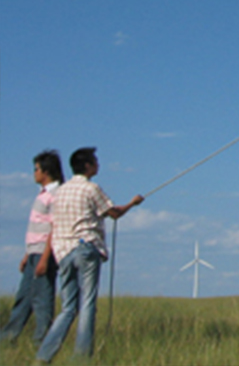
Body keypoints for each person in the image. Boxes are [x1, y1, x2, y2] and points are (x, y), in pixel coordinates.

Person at [36, 147, 144, 363]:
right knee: (87, 304)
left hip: (62, 252)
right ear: (87, 166)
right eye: (95, 161)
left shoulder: (61, 191)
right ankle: (81, 358)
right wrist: (133, 203)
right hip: (85, 248)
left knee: (68, 308)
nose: (98, 165)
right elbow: (114, 213)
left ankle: (44, 356)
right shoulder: (91, 188)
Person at [0, 150, 64, 346]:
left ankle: (42, 342)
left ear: (46, 171)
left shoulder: (56, 194)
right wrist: (27, 254)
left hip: (44, 253)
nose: (34, 173)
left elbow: (54, 227)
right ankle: (7, 338)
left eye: (36, 169)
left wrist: (44, 258)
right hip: (34, 252)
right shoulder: (43, 194)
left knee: (42, 299)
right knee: (24, 298)